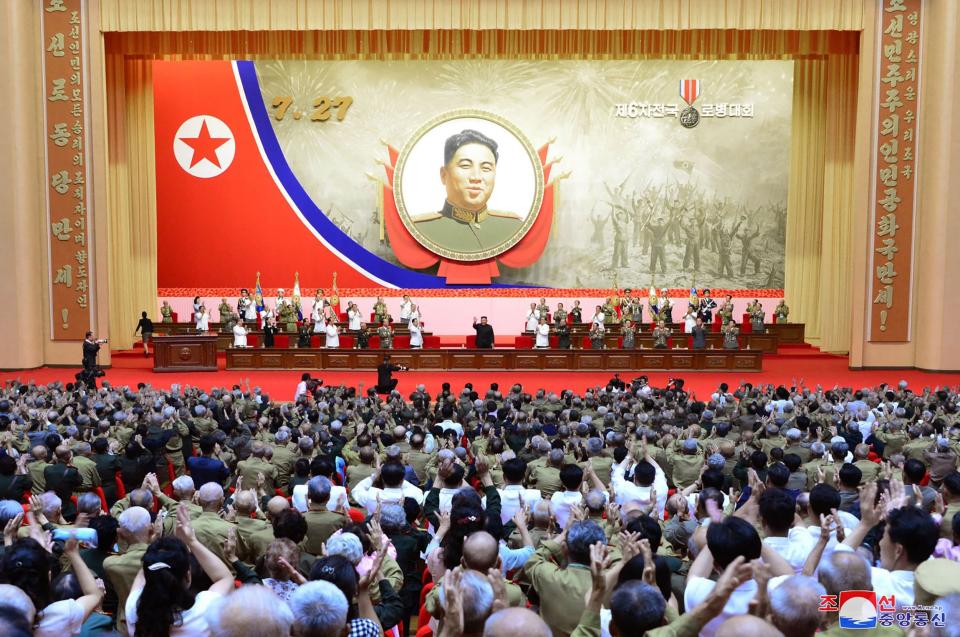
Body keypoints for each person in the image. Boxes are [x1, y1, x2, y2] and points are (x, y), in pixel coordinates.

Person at [411, 129, 522, 256]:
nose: (476, 177)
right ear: (443, 175)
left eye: (486, 168)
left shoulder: (515, 229)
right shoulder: (418, 231)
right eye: (465, 166)